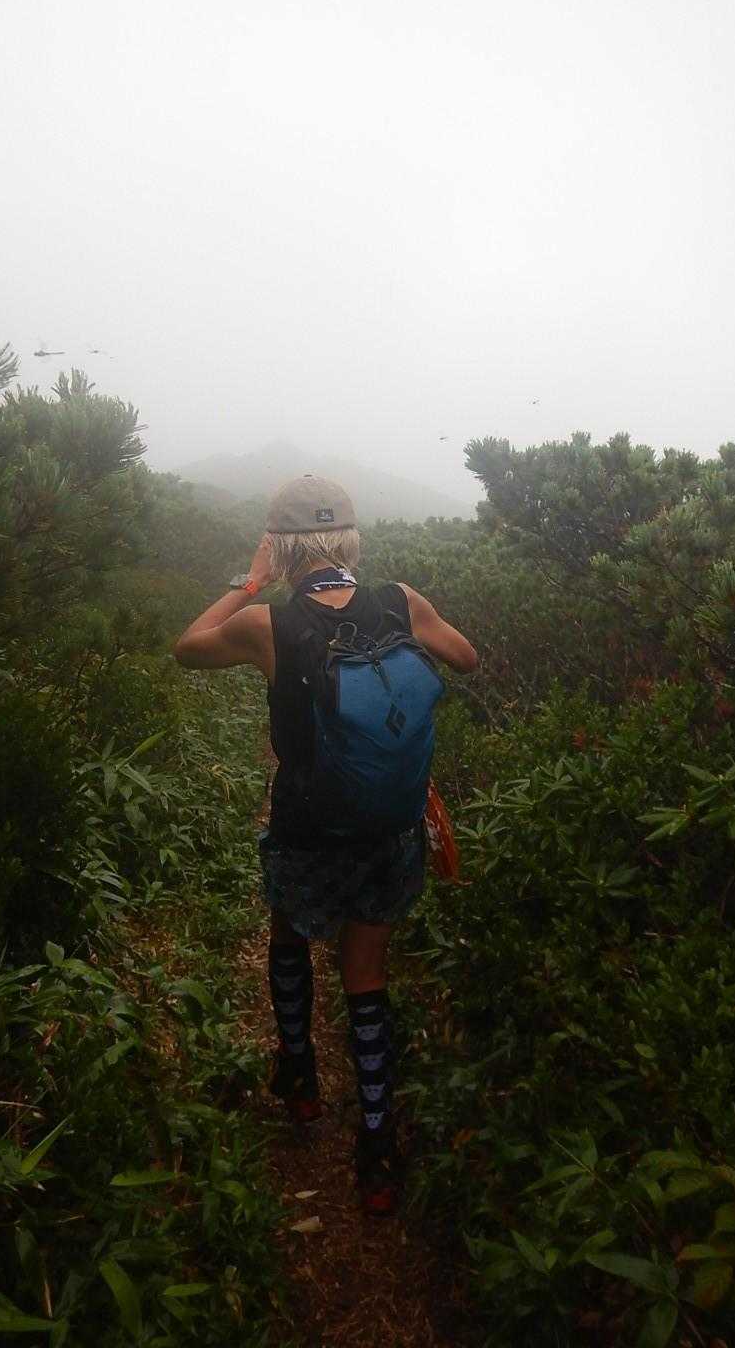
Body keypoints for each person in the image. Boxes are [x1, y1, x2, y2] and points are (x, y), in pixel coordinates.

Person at [174, 474, 478, 1214]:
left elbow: (185, 649)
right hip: (389, 829)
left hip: (308, 830)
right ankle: (376, 1144)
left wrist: (249, 582)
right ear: (349, 540)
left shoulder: (266, 624)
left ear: (281, 548)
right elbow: (467, 659)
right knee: (366, 973)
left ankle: (301, 1078)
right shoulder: (401, 601)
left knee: (289, 935)